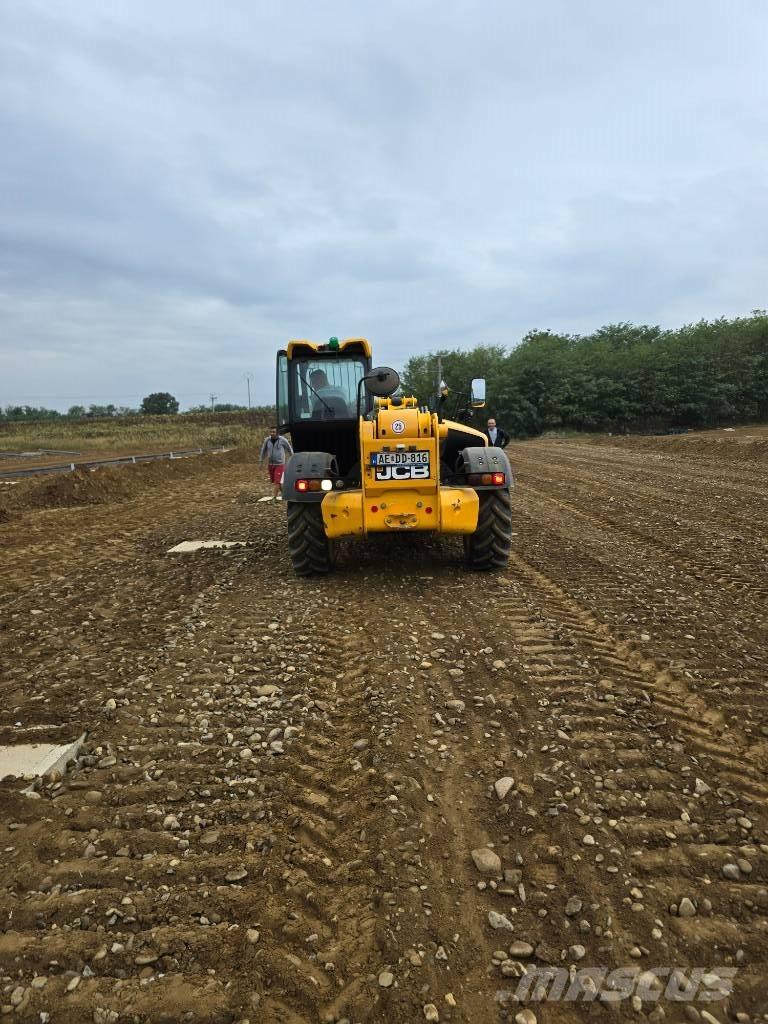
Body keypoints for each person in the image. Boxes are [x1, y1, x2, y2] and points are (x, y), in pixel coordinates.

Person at [260, 427, 293, 500]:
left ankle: (274, 498)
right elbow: (263, 450)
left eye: (274, 432)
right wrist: (261, 461)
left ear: (277, 433)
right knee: (276, 482)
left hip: (280, 464)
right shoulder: (267, 440)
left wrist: (293, 459)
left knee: (277, 482)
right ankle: (286, 494)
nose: (272, 433)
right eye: (271, 432)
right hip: (271, 464)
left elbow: (290, 449)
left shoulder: (283, 440)